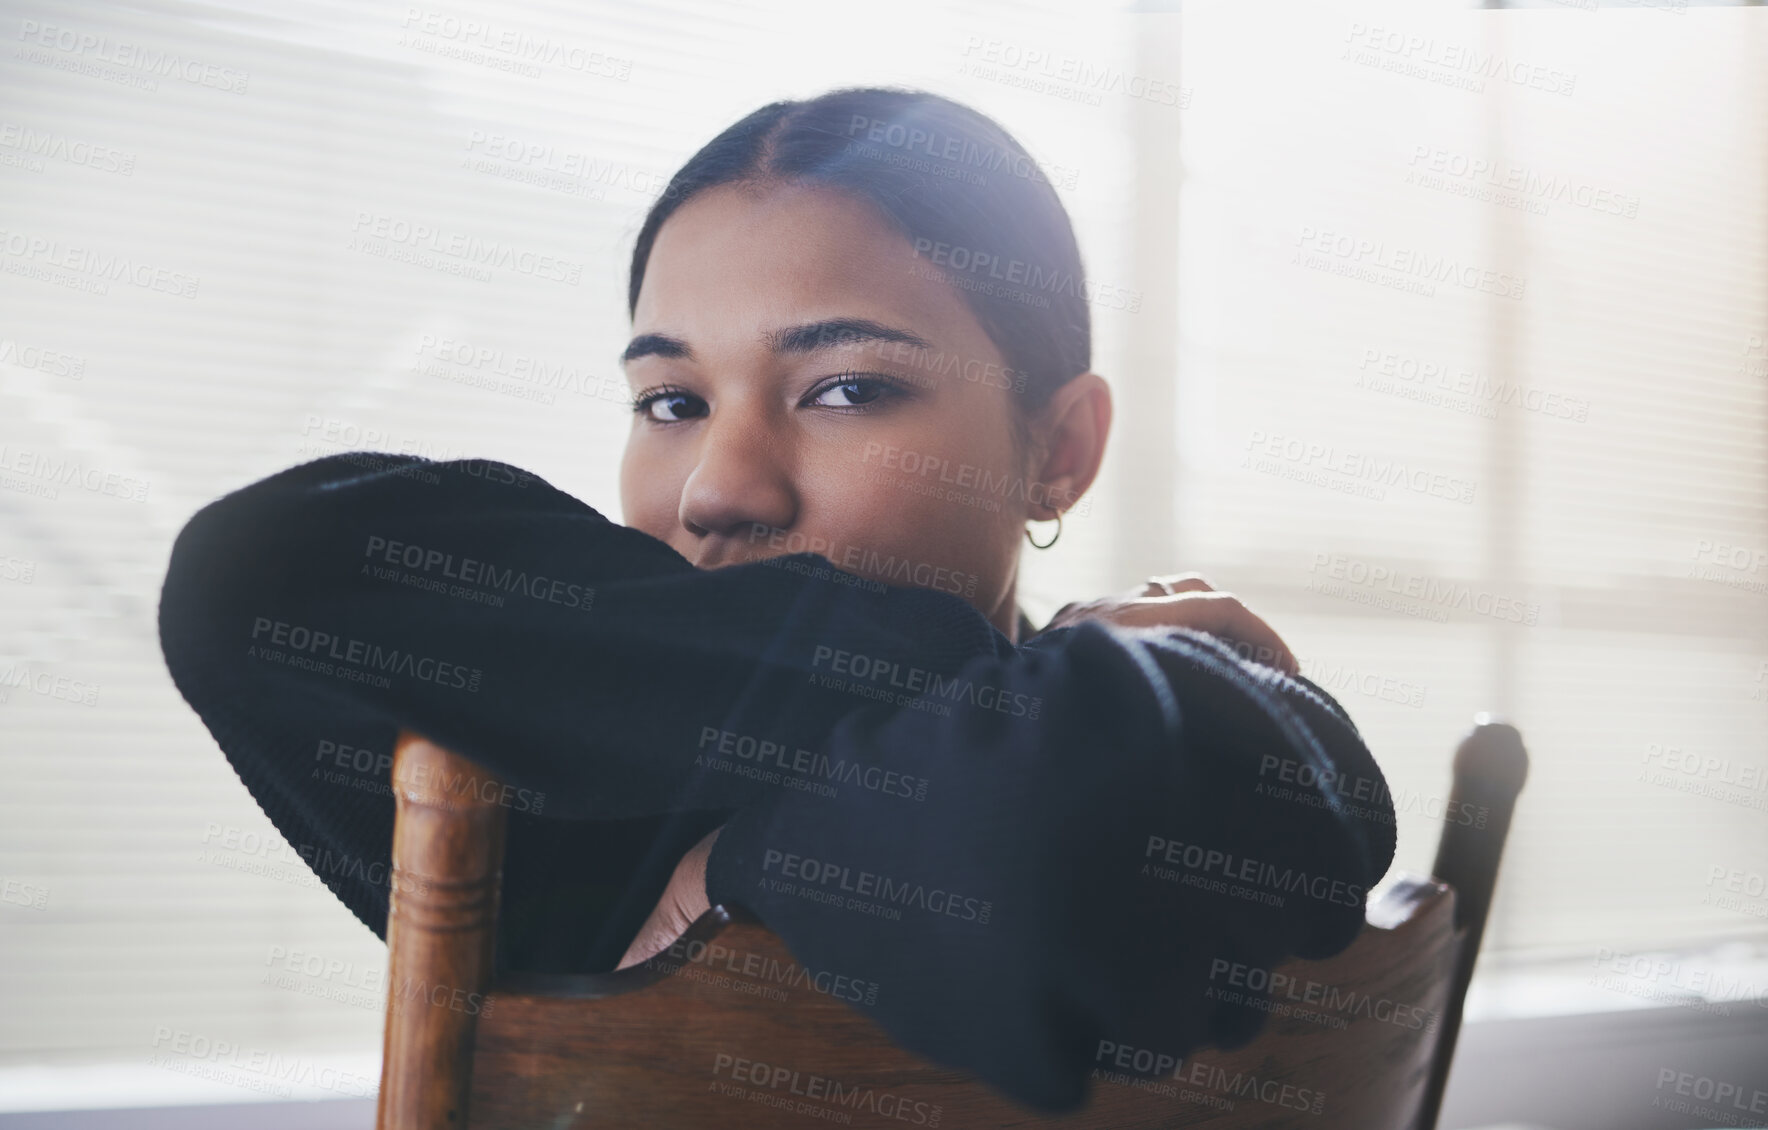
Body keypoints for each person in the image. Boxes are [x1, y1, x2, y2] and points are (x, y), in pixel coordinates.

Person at [157, 87, 1393, 1114]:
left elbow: (1042, 854)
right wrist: (981, 681)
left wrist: (720, 879)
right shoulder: (565, 813)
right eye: (672, 402)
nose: (717, 490)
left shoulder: (1181, 727)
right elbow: (256, 575)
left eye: (847, 388)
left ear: (1056, 449)